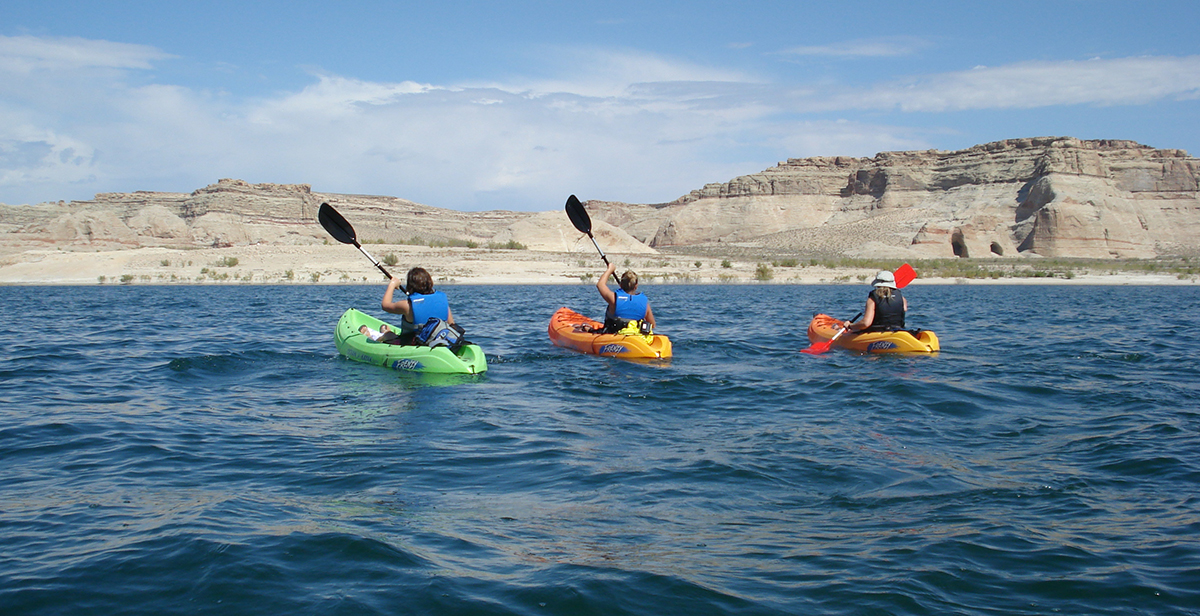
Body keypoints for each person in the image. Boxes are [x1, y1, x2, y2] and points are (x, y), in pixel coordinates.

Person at [380, 267, 455, 341]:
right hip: (439, 340)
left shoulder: (407, 306)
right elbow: (452, 324)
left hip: (414, 344)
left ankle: (379, 333)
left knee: (387, 334)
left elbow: (385, 305)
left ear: (409, 286)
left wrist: (392, 284)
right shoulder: (441, 301)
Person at [596, 261, 655, 334]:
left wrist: (610, 269)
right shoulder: (645, 303)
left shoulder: (613, 298)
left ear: (621, 285)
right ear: (636, 286)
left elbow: (600, 284)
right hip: (635, 337)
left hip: (614, 335)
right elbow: (652, 325)